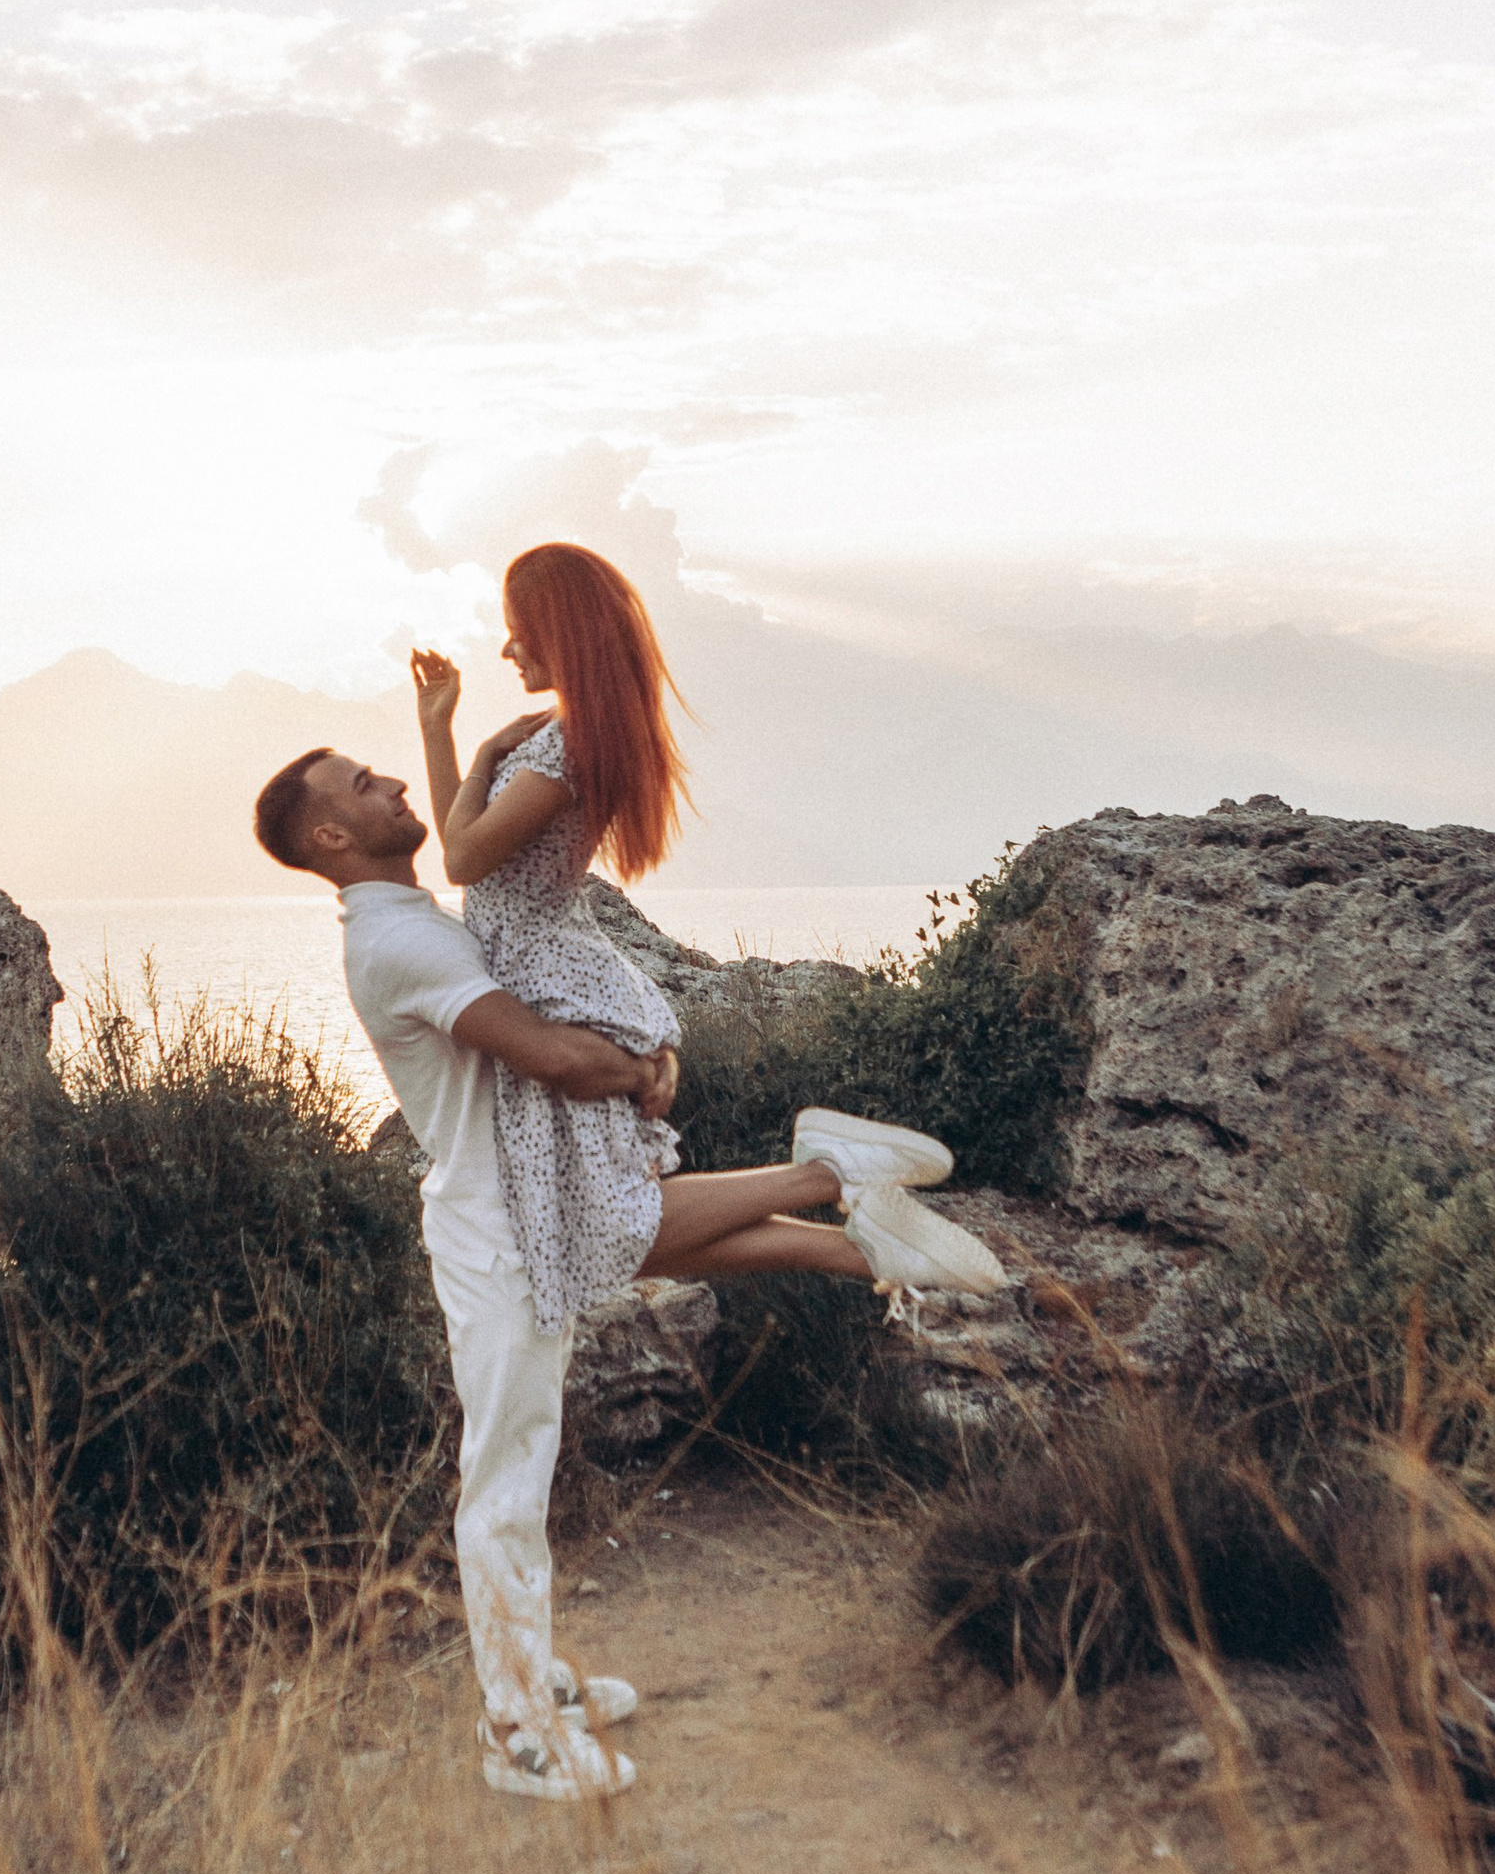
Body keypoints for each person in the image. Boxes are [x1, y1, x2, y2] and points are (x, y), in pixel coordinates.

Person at [251, 723, 1000, 1803]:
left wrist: (454, 727)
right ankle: (515, 1734)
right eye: (364, 785)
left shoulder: (410, 918)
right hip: (494, 1230)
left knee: (565, 1373)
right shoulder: (398, 942)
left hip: (526, 1206)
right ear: (329, 832)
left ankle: (533, 1679)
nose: (392, 784)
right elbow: (549, 1053)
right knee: (503, 1482)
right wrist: (641, 1065)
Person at [411, 540, 1008, 1325]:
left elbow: (459, 855)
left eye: (519, 627)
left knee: (610, 1226)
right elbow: (477, 844)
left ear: (562, 630)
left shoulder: (560, 744)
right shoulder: (581, 734)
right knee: (611, 1233)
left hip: (545, 987)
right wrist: (442, 730)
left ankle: (826, 1173)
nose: (506, 646)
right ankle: (867, 1249)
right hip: (552, 974)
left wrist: (484, 748)